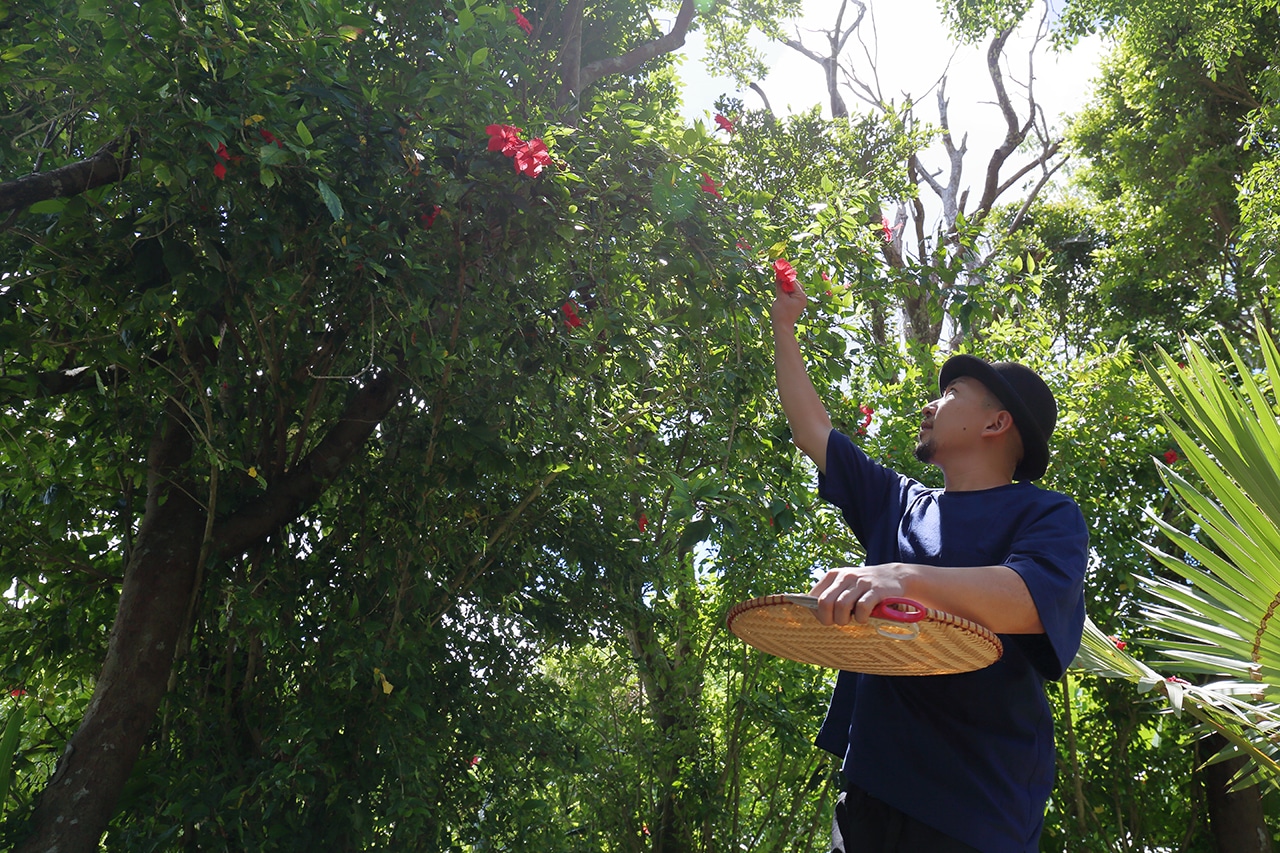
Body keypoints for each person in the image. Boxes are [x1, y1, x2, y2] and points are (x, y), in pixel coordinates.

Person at [770, 279, 1088, 853]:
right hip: (869, 792)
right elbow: (812, 432)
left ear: (996, 424)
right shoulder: (898, 503)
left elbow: (1028, 599)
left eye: (952, 393)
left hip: (979, 805)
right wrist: (784, 328)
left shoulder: (1047, 513)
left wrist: (901, 576)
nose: (929, 404)